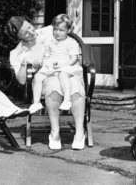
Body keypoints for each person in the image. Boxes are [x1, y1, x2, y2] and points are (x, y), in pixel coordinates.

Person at [6, 15, 86, 150]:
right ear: (19, 37)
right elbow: (21, 79)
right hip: (46, 75)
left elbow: (66, 29)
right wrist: (25, 63)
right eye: (26, 32)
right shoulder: (17, 53)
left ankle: (79, 132)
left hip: (67, 70)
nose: (32, 32)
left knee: (75, 86)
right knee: (53, 86)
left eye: (30, 27)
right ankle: (55, 131)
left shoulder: (48, 31)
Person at [29, 14, 82, 114]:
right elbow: (46, 56)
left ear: (68, 31)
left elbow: (73, 58)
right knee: (37, 77)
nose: (57, 32)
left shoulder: (72, 42)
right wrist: (44, 65)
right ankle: (36, 102)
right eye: (55, 29)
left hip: (66, 66)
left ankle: (67, 100)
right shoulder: (49, 42)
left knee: (63, 74)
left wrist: (62, 65)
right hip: (52, 66)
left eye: (61, 30)